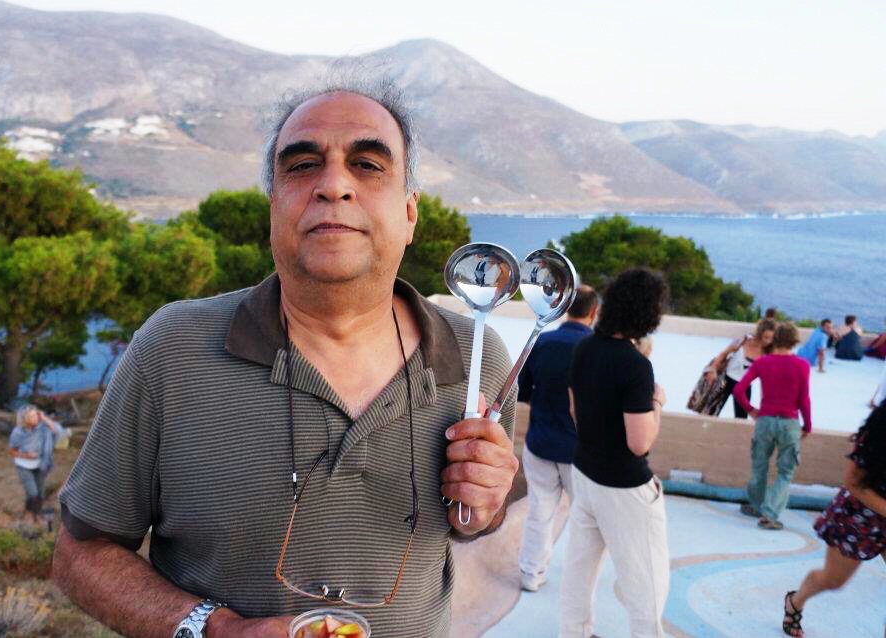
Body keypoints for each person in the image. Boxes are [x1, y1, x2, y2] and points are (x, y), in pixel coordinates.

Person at [52, 77, 520, 638]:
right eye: (302, 166)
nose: (334, 185)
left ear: (410, 212)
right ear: (274, 207)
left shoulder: (478, 358)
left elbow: (473, 522)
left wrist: (483, 506)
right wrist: (215, 629)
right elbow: (80, 554)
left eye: (368, 164)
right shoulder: (173, 349)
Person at [560, 268, 669, 638]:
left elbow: (575, 412)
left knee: (579, 568)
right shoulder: (636, 366)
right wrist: (657, 402)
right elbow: (640, 443)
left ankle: (574, 633)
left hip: (586, 473)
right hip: (625, 487)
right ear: (648, 313)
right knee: (647, 585)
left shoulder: (584, 348)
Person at [515, 285, 598, 592]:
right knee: (587, 519)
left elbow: (522, 391)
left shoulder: (542, 341)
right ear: (594, 313)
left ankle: (531, 574)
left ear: (564, 308)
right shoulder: (598, 350)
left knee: (539, 512)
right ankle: (580, 581)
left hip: (540, 442)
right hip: (581, 451)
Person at [781, 402, 886, 636]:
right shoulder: (880, 430)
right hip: (859, 518)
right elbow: (854, 482)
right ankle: (795, 601)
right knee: (833, 580)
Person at [733, 321, 812, 530]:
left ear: (775, 339)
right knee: (785, 472)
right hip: (789, 423)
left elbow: (739, 390)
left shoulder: (763, 362)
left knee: (759, 466)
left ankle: (756, 506)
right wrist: (808, 425)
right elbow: (804, 400)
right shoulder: (802, 365)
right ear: (794, 341)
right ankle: (769, 515)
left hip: (765, 421)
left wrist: (751, 410)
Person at [707, 318, 776, 418]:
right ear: (760, 334)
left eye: (771, 339)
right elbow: (724, 353)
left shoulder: (768, 354)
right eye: (766, 337)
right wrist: (712, 369)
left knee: (741, 419)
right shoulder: (743, 340)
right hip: (725, 381)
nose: (768, 341)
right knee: (710, 414)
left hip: (744, 387)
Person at [8, 405, 64, 526]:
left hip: (41, 465)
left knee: (40, 493)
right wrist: (25, 455)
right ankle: (29, 514)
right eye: (32, 416)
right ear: (25, 419)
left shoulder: (43, 428)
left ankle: (37, 515)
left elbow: (58, 431)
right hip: (23, 466)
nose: (36, 418)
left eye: (36, 415)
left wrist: (43, 418)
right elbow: (12, 451)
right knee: (32, 493)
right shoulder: (18, 432)